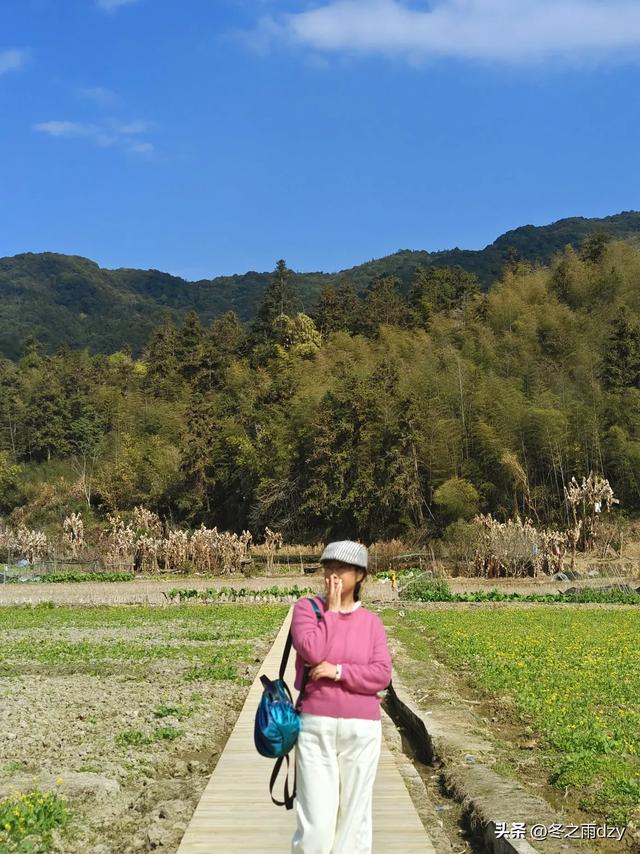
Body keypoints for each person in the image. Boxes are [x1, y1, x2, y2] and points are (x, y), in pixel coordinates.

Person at [290, 540, 392, 854]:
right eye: (328, 568)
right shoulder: (307, 610)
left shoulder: (371, 623)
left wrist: (338, 672)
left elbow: (381, 675)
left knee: (354, 820)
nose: (332, 576)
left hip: (361, 729)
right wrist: (332, 614)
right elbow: (311, 651)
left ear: (359, 575)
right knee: (316, 823)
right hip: (315, 726)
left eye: (341, 569)